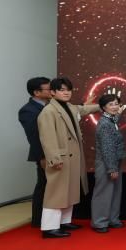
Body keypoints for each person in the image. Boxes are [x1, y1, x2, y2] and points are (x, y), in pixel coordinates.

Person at [36, 77, 100, 238]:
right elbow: (47, 138)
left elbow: (83, 109)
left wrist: (102, 105)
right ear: (52, 92)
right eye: (62, 90)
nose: (66, 93)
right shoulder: (48, 111)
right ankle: (49, 228)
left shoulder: (69, 107)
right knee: (55, 193)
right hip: (60, 159)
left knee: (69, 190)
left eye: (68, 90)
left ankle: (64, 221)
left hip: (71, 158)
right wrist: (54, 159)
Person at [18, 76, 52, 227]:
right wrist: (42, 157)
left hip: (54, 153)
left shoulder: (49, 106)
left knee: (50, 186)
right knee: (43, 186)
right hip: (44, 155)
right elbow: (34, 136)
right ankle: (38, 220)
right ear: (37, 92)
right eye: (49, 89)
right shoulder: (28, 110)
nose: (52, 91)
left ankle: (50, 220)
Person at [91, 92, 126, 233]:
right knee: (103, 193)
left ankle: (112, 219)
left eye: (116, 104)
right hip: (106, 163)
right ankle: (99, 223)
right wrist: (112, 168)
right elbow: (107, 148)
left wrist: (119, 113)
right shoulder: (105, 124)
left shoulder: (111, 120)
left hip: (114, 161)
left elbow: (115, 119)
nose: (114, 107)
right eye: (110, 104)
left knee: (114, 192)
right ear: (103, 108)